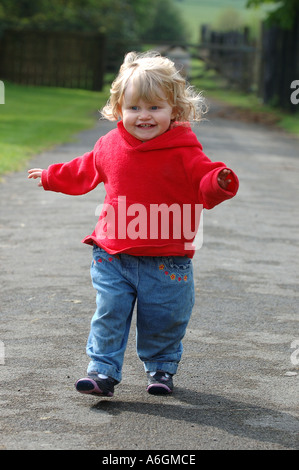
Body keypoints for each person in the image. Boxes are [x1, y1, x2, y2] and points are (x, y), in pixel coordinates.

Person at [28, 51, 239, 397]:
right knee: (109, 311)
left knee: (165, 319)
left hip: (167, 260)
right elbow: (83, 168)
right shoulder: (109, 144)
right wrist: (52, 175)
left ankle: (160, 368)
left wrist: (219, 181)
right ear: (118, 110)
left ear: (175, 110)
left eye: (155, 108)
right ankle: (102, 372)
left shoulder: (184, 149)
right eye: (134, 108)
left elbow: (205, 177)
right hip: (112, 254)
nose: (144, 116)